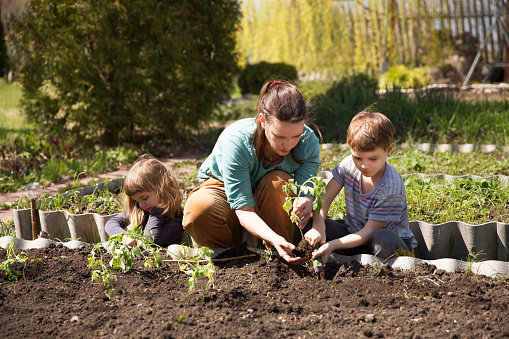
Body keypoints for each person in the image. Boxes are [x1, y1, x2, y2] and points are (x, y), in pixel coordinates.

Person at [183, 80, 321, 263]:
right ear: (263, 121)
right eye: (279, 136)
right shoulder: (237, 141)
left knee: (279, 182)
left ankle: (277, 254)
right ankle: (234, 254)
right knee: (199, 210)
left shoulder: (308, 141)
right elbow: (243, 208)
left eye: (295, 136)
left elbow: (306, 188)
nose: (288, 144)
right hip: (225, 192)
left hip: (268, 197)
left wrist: (306, 199)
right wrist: (270, 235)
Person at [306, 111, 417, 262]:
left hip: (389, 243)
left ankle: (387, 263)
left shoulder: (391, 187)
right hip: (355, 237)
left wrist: (332, 244)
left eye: (373, 158)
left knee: (382, 239)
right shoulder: (348, 166)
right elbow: (324, 198)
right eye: (357, 157)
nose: (364, 165)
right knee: (313, 222)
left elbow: (369, 232)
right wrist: (318, 226)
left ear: (389, 150)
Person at [105, 154, 184, 247]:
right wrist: (124, 237)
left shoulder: (176, 219)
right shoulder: (141, 212)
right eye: (137, 201)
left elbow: (150, 240)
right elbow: (111, 223)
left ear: (163, 190)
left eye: (145, 198)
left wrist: (157, 212)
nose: (141, 204)